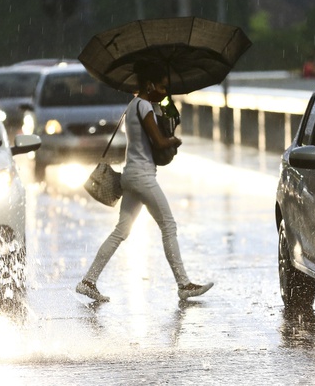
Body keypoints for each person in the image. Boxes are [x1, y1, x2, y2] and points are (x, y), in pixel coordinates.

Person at [76, 60, 214, 303]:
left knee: (121, 231)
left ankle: (88, 281)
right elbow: (159, 142)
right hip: (142, 177)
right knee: (169, 226)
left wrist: (166, 109)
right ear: (149, 84)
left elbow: (156, 129)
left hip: (131, 175)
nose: (164, 91)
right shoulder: (145, 107)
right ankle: (184, 284)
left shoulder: (133, 106)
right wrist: (174, 141)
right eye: (161, 86)